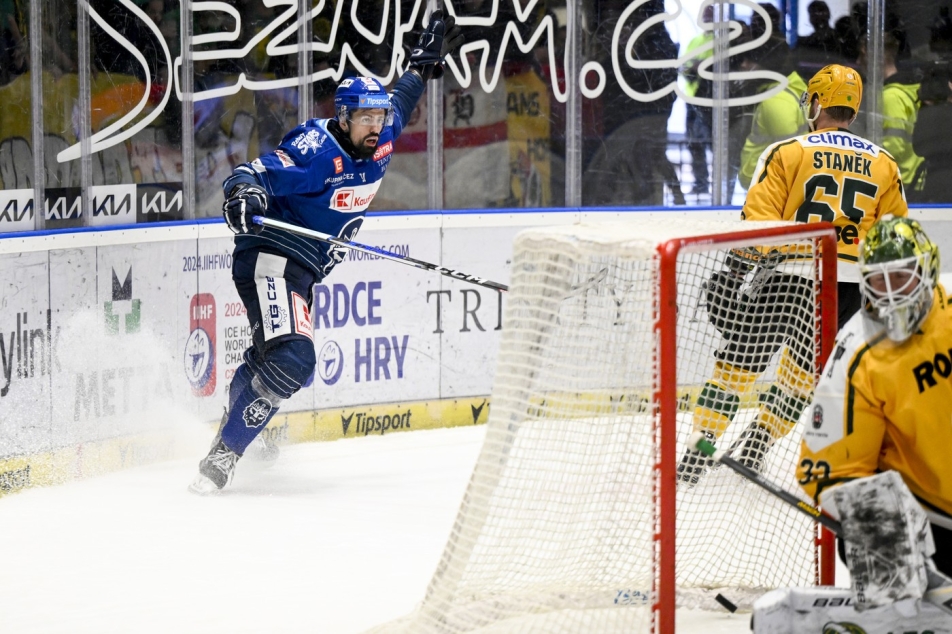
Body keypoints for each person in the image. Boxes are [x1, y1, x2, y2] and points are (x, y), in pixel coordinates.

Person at [188, 10, 463, 494]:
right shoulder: (317, 152)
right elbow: (251, 174)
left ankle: (238, 425)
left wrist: (420, 66)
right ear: (343, 117)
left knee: (270, 358)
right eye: (366, 117)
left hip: (302, 272)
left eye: (379, 117)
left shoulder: (380, 137)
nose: (376, 125)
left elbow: (402, 98)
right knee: (295, 358)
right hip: (271, 255)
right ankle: (224, 455)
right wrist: (243, 195)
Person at [678, 64, 908, 486]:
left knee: (738, 366)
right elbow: (894, 241)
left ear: (816, 102)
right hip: (847, 289)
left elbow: (758, 223)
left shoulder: (789, 151)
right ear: (853, 112)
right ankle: (759, 443)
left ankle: (699, 447)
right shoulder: (885, 165)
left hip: (787, 276)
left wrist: (736, 272)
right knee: (802, 378)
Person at [798, 216, 952, 577]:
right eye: (878, 280)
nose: (892, 292)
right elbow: (829, 470)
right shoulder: (855, 351)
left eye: (901, 275)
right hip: (929, 524)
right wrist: (890, 542)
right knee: (865, 538)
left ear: (927, 270)